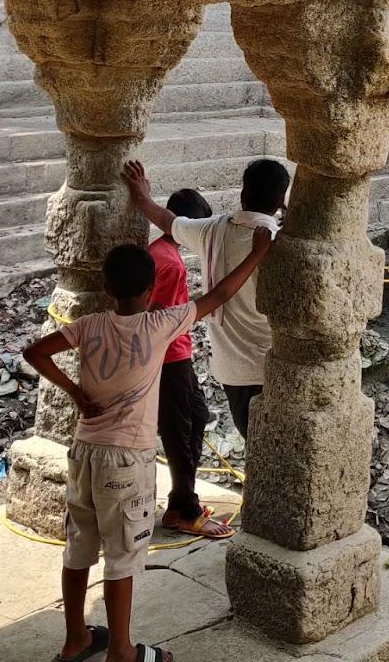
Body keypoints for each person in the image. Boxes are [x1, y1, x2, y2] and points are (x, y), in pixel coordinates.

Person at [24, 230, 270, 662]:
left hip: (84, 452)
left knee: (78, 547)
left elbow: (35, 353)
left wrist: (75, 392)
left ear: (107, 288)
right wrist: (258, 252)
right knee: (122, 557)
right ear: (152, 289)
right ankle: (122, 651)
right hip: (126, 461)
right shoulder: (159, 325)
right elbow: (221, 293)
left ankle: (75, 639)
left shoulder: (88, 326)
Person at [122, 157, 290, 441]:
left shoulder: (212, 230)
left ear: (242, 193)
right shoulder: (280, 243)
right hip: (272, 367)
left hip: (230, 368)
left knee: (254, 441)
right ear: (279, 202)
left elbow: (167, 220)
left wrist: (141, 195)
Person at [148, 187, 232, 540]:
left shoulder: (161, 253)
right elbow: (163, 318)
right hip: (170, 358)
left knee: (195, 418)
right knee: (180, 432)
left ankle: (178, 503)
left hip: (175, 354)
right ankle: (187, 510)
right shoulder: (168, 263)